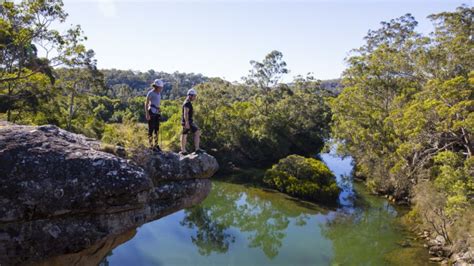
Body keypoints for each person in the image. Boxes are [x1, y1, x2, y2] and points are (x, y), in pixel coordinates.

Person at [180, 88, 204, 155]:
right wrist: (187, 123)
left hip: (186, 121)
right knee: (197, 132)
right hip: (187, 121)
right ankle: (196, 149)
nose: (195, 97)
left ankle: (183, 150)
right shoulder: (187, 103)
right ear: (190, 95)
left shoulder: (187, 102)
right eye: (194, 96)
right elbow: (185, 113)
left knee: (184, 134)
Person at [145, 79, 163, 151]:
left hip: (156, 112)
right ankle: (151, 145)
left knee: (157, 129)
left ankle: (156, 144)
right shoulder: (150, 93)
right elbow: (146, 103)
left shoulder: (159, 93)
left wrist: (159, 109)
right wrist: (147, 114)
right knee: (151, 129)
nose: (161, 89)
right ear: (156, 87)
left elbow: (157, 103)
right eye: (160, 87)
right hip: (151, 112)